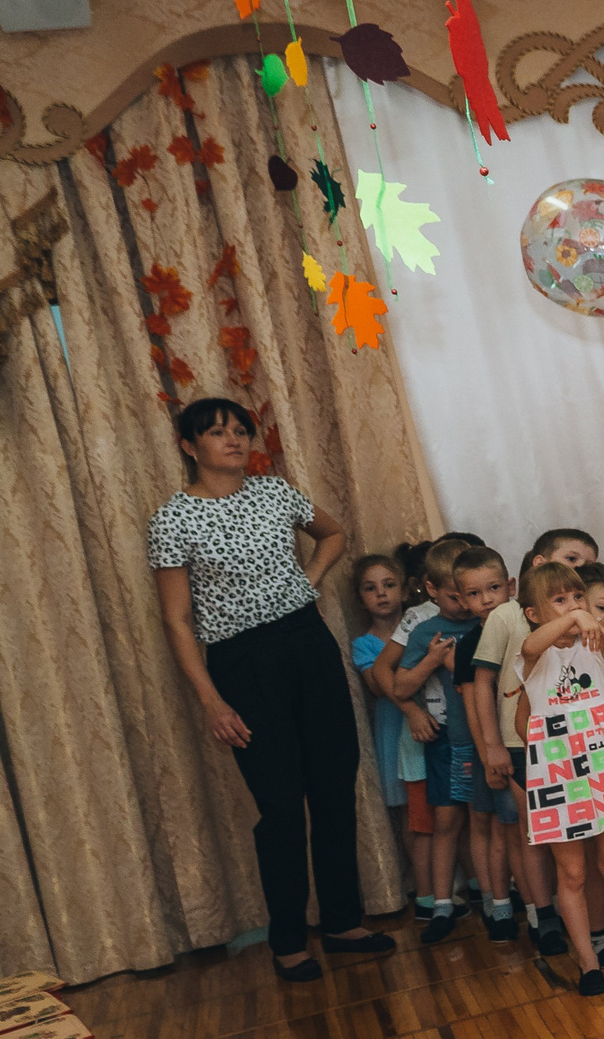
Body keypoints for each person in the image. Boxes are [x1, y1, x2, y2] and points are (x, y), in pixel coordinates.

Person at [148, 399, 396, 979]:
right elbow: (177, 621)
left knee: (335, 784)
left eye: (240, 430)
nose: (232, 440)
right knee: (281, 806)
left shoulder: (276, 493)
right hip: (241, 660)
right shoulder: (172, 519)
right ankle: (288, 941)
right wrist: (212, 699)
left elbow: (331, 535)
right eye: (216, 432)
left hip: (307, 644)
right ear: (189, 446)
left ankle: (341, 921)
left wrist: (304, 582)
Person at [514, 561, 604, 996]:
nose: (574, 606)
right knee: (572, 873)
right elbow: (531, 643)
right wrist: (576, 616)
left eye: (578, 597)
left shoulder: (597, 643)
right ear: (534, 612)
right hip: (559, 773)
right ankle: (588, 962)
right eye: (560, 600)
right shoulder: (533, 654)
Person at [385, 548, 490, 943]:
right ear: (432, 590)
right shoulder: (425, 631)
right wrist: (432, 660)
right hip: (449, 741)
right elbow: (399, 685)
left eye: (471, 595)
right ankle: (442, 905)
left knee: (488, 821)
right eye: (455, 596)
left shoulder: (491, 625)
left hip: (489, 739)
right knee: (447, 822)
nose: (465, 605)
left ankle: (499, 901)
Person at [348, 553, 437, 913]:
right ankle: (425, 892)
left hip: (436, 720)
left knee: (449, 808)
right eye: (370, 588)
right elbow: (378, 686)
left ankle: (465, 886)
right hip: (395, 729)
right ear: (360, 597)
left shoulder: (425, 626)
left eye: (388, 585)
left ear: (405, 589)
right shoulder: (365, 644)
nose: (381, 594)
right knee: (412, 816)